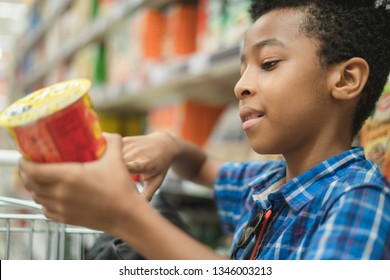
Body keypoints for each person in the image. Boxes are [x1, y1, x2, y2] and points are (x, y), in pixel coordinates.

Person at [19, 0, 390, 259]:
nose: (240, 85)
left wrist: (127, 216)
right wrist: (171, 146)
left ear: (345, 79)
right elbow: (201, 167)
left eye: (269, 63)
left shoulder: (358, 198)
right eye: (242, 69)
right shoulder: (271, 180)